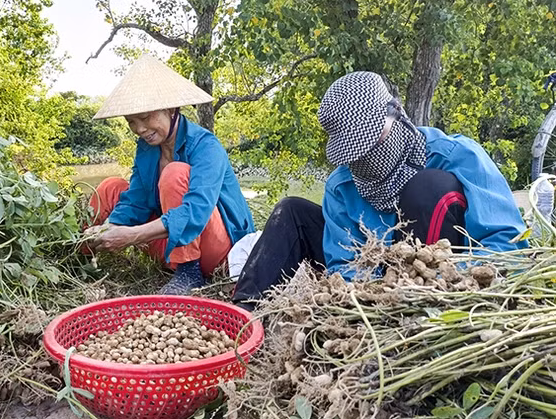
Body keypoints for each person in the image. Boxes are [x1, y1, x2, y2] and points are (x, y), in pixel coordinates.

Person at [232, 71, 528, 308]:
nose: (366, 158)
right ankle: (244, 314)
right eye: (355, 154)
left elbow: (509, 244)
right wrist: (374, 289)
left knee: (427, 187)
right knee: (291, 209)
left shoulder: (455, 156)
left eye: (374, 142)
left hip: (446, 275)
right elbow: (342, 265)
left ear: (397, 113)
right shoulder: (342, 185)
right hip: (378, 279)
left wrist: (436, 275)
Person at [84, 54, 256, 295]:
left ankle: (189, 271)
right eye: (131, 122)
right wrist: (110, 227)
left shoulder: (206, 146)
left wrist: (132, 235)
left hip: (215, 249)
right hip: (171, 241)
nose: (140, 129)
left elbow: (196, 211)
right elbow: (137, 199)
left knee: (175, 174)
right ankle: (82, 254)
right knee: (111, 187)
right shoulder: (146, 148)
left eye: (145, 117)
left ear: (171, 109)